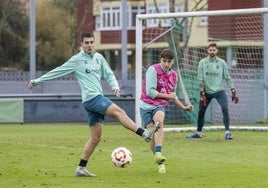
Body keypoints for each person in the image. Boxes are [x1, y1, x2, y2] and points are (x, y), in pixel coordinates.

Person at [28, 32, 160, 177]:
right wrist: (37, 81)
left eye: (91, 42)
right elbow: (58, 71)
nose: (89, 45)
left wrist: (115, 86)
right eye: (86, 43)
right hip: (92, 99)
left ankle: (81, 167)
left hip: (97, 98)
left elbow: (109, 73)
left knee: (96, 137)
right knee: (119, 111)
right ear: (81, 44)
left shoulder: (99, 58)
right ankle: (144, 133)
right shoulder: (77, 60)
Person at [140, 49, 193, 173]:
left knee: (159, 122)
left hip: (159, 106)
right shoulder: (153, 70)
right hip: (146, 106)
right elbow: (151, 92)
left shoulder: (174, 75)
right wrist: (169, 96)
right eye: (164, 61)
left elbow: (172, 96)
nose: (166, 64)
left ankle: (158, 152)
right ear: (160, 60)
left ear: (173, 62)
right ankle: (160, 162)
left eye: (169, 62)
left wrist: (184, 107)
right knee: (152, 136)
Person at [186, 43, 239, 140]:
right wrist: (202, 93)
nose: (212, 52)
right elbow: (200, 78)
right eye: (210, 50)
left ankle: (227, 133)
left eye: (214, 50)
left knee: (225, 108)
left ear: (217, 51)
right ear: (207, 51)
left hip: (219, 91)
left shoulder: (222, 62)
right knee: (201, 112)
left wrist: (233, 90)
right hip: (206, 92)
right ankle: (198, 133)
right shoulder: (202, 62)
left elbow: (227, 77)